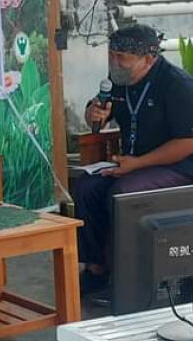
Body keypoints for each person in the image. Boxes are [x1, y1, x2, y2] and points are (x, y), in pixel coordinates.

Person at [74, 24, 193, 297]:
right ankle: (96, 269)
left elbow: (188, 142)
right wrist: (94, 114)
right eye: (111, 55)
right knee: (86, 187)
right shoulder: (118, 79)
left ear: (148, 59)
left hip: (177, 167)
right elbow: (101, 107)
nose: (114, 62)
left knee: (124, 193)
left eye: (122, 57)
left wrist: (137, 164)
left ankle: (129, 275)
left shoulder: (177, 85)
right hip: (130, 163)